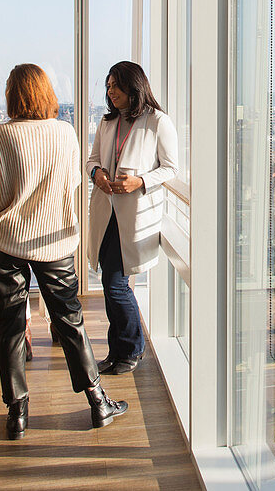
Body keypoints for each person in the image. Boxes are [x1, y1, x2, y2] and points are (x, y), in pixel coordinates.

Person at [0, 64, 128, 438]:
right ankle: (97, 401)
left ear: (11, 95)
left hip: (4, 242)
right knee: (69, 320)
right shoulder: (65, 133)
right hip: (55, 242)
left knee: (9, 326)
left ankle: (17, 412)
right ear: (46, 94)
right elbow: (71, 185)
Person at [87, 61, 178, 374]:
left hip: (135, 214)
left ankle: (131, 348)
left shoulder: (157, 121)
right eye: (109, 86)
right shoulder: (107, 121)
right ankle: (118, 350)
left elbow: (171, 167)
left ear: (133, 86)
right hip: (106, 211)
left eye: (117, 86)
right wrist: (97, 174)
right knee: (111, 281)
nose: (111, 92)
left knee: (115, 285)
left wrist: (139, 181)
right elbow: (93, 160)